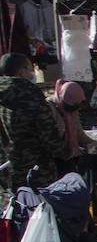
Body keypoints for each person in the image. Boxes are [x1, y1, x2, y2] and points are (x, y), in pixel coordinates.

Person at [0, 53, 65, 198]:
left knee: (12, 213)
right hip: (35, 168)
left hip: (5, 170)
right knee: (39, 213)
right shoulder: (29, 93)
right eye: (31, 68)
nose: (33, 72)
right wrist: (65, 151)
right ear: (21, 71)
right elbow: (47, 131)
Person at [48, 80, 97, 174]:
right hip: (54, 158)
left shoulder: (72, 111)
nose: (74, 108)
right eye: (72, 104)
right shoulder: (49, 109)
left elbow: (79, 134)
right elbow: (50, 139)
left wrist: (96, 144)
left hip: (69, 156)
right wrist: (67, 151)